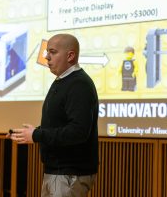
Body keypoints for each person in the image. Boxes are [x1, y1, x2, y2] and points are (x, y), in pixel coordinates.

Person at [7, 33, 99, 197]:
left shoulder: (79, 84)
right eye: (47, 52)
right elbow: (60, 124)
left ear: (70, 56)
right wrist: (32, 133)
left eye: (53, 52)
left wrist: (37, 134)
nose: (47, 57)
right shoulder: (62, 80)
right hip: (57, 172)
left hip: (69, 173)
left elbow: (78, 131)